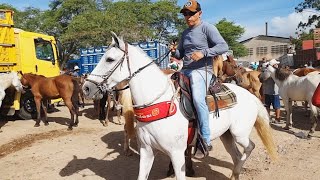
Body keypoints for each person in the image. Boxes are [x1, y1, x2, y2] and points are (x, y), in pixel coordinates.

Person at [170, 0, 228, 158]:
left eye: (191, 13)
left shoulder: (207, 28)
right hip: (186, 70)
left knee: (197, 98)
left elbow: (223, 46)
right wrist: (174, 51)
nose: (187, 16)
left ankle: (205, 139)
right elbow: (179, 55)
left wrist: (204, 53)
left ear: (199, 13)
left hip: (202, 70)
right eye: (185, 14)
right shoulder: (185, 33)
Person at [262, 59, 281, 123]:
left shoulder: (265, 71)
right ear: (274, 65)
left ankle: (268, 117)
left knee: (267, 105)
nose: (277, 65)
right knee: (277, 106)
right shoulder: (275, 71)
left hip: (267, 91)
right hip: (274, 92)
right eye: (276, 64)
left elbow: (261, 79)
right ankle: (277, 118)